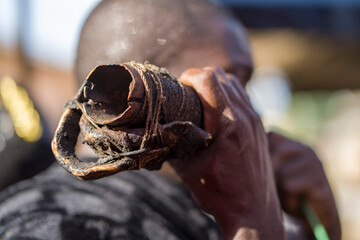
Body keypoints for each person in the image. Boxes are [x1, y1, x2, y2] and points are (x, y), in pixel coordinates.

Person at [0, 0, 340, 239]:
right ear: (138, 93)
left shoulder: (189, 208)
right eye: (232, 83)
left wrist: (318, 228)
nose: (251, 112)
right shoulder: (59, 223)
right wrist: (253, 221)